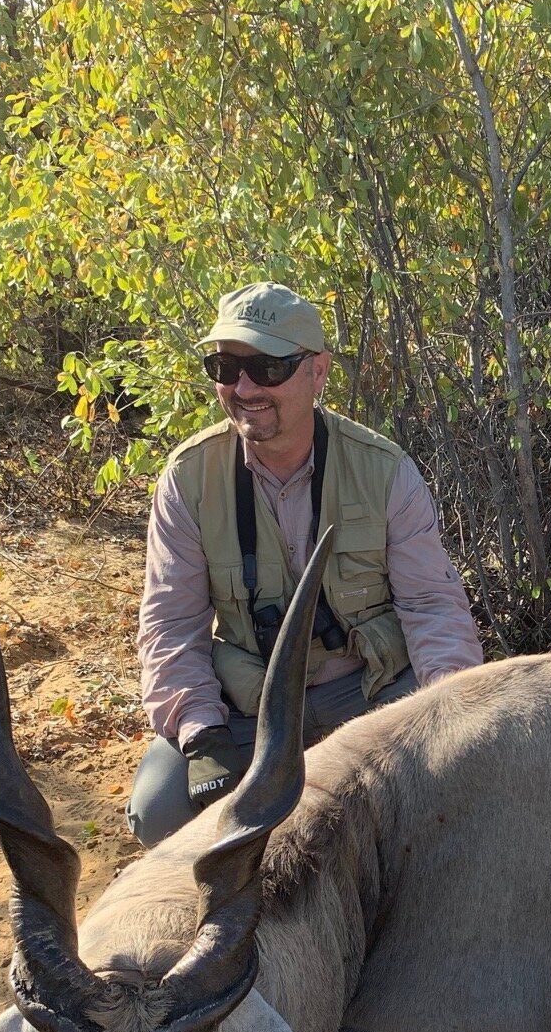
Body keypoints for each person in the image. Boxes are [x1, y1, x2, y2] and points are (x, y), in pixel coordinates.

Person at [128, 281, 483, 847]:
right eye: (225, 365)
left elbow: (431, 607)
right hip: (252, 702)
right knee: (160, 812)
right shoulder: (189, 479)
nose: (244, 387)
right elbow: (171, 625)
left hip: (368, 688)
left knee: (455, 801)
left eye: (267, 368)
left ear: (317, 372)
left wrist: (454, 715)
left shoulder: (384, 470)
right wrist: (201, 735)